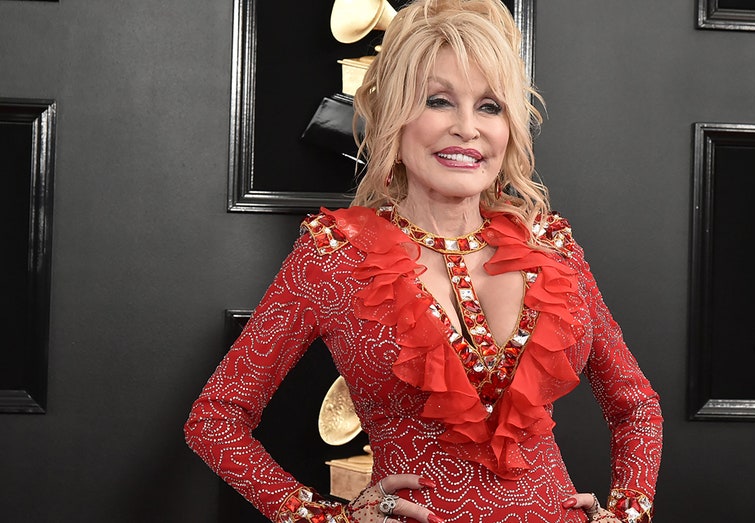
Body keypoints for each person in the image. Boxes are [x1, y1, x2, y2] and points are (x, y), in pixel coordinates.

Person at [184, 1, 663, 522]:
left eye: (489, 106)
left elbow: (636, 407)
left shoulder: (553, 249)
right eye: (438, 101)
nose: (467, 128)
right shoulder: (333, 257)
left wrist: (628, 512)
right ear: (394, 116)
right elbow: (215, 418)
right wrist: (321, 518)